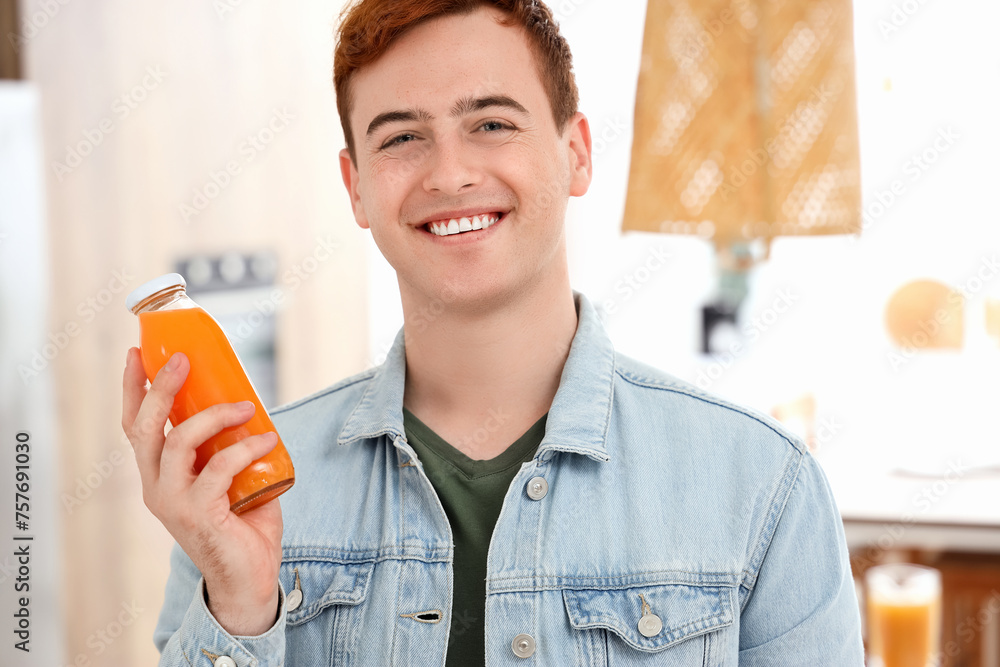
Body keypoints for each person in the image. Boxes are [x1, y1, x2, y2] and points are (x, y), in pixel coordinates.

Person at [122, 0, 865, 664]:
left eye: (491, 124)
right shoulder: (242, 497)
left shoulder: (766, 487)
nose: (449, 173)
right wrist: (241, 608)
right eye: (402, 137)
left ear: (576, 152)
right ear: (356, 187)